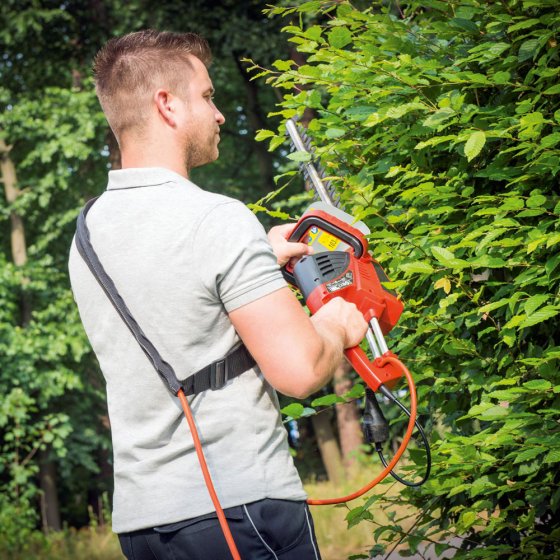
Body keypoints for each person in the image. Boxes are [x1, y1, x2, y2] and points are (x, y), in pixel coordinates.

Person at [68, 29, 367, 560]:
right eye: (207, 97)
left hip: (144, 525)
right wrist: (339, 324)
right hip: (241, 509)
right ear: (167, 104)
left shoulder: (88, 234)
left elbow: (172, 296)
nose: (221, 113)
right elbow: (299, 371)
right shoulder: (217, 219)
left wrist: (258, 257)